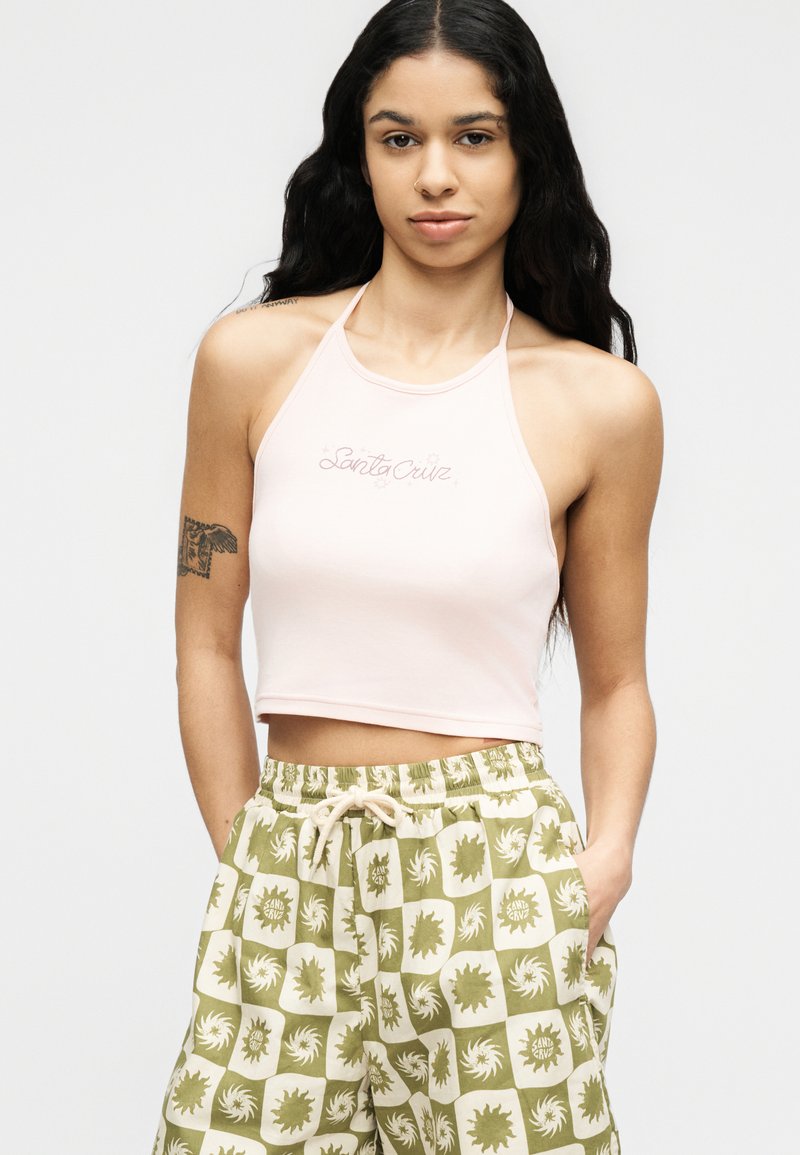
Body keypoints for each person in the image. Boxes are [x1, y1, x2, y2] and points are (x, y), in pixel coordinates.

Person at [152, 1, 662, 1151]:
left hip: (494, 874)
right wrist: (246, 852)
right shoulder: (249, 360)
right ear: (359, 152)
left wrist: (602, 863)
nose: (435, 175)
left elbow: (617, 682)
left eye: (473, 137)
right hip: (291, 854)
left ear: (526, 152)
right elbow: (203, 637)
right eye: (399, 138)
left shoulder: (600, 404)